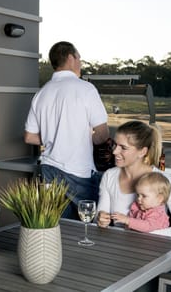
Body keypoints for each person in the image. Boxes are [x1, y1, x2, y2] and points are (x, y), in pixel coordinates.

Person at [24, 41, 110, 220]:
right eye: (79, 58)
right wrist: (84, 138)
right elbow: (103, 135)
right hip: (78, 172)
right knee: (87, 227)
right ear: (71, 58)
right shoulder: (86, 89)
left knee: (55, 227)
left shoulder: (42, 92)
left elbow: (30, 137)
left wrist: (55, 136)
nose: (81, 63)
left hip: (48, 171)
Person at [97, 120, 171, 241]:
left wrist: (145, 234)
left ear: (142, 152)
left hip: (150, 249)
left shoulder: (161, 180)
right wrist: (101, 220)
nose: (114, 152)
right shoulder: (109, 176)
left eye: (123, 147)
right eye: (115, 145)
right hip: (119, 247)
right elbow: (99, 220)